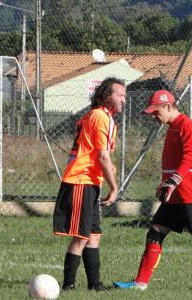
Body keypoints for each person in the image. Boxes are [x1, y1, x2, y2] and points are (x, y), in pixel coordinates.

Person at [113, 90, 192, 293]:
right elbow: (174, 163)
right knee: (156, 231)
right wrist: (165, 183)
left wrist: (173, 181)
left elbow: (189, 158)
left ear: (169, 106)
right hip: (174, 194)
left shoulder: (187, 126)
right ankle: (140, 283)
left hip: (190, 194)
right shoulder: (171, 127)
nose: (153, 116)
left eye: (156, 111)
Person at [52, 77, 126, 291]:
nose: (123, 100)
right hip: (80, 180)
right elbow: (102, 156)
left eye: (124, 96)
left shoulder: (103, 117)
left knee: (94, 235)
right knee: (81, 236)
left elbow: (98, 154)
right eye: (120, 95)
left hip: (90, 180)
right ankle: (69, 285)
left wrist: (107, 168)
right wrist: (114, 187)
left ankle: (95, 285)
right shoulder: (100, 116)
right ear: (107, 96)